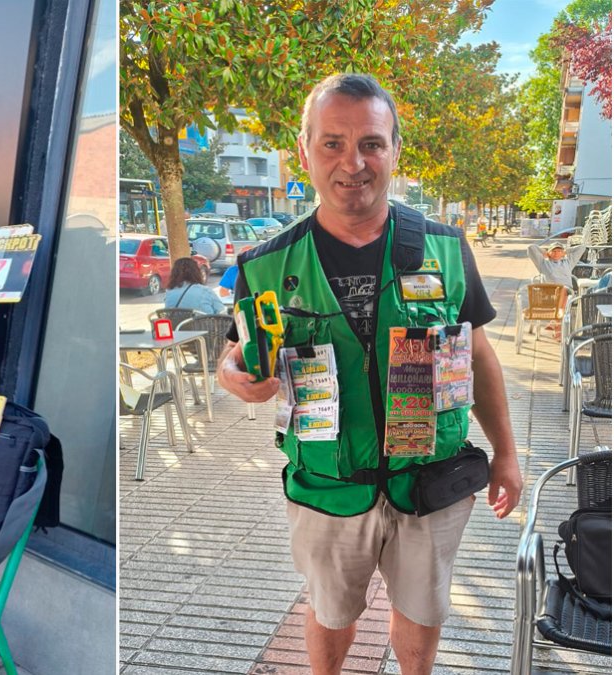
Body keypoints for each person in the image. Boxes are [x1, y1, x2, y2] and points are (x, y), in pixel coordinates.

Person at [216, 74, 521, 675]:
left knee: (422, 609)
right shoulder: (265, 264)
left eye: (371, 144)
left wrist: (507, 453)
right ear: (303, 153)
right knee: (330, 611)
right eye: (332, 143)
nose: (353, 162)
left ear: (395, 151)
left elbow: (480, 355)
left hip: (428, 481)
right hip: (329, 486)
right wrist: (233, 377)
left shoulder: (446, 249)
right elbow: (237, 352)